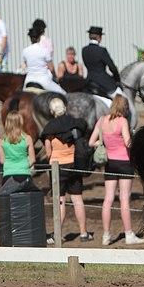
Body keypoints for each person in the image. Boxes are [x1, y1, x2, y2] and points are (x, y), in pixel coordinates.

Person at [88, 95, 144, 246]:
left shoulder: (102, 120)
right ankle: (128, 234)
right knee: (124, 199)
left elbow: (91, 142)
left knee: (108, 199)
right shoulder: (122, 121)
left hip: (110, 163)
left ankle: (106, 235)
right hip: (124, 163)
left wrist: (105, 143)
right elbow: (128, 143)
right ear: (124, 107)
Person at [43, 98, 93, 242]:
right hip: (74, 165)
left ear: (52, 111)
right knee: (77, 199)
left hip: (57, 168)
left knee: (60, 201)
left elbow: (47, 152)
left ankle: (58, 234)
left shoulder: (49, 128)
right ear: (64, 108)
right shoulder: (75, 123)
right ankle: (84, 233)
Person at [21, 26, 66, 94]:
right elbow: (51, 68)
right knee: (64, 94)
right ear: (39, 37)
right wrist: (55, 78)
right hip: (44, 80)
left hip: (28, 80)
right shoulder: (45, 50)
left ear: (30, 38)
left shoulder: (25, 51)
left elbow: (25, 65)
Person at [81, 26, 120, 98]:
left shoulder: (84, 50)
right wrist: (117, 79)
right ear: (99, 37)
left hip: (89, 81)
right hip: (103, 82)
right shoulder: (102, 50)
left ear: (89, 36)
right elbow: (112, 67)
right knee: (122, 99)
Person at [0, 111, 35, 186]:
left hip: (8, 174)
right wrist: (24, 165)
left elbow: (2, 160)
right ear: (20, 122)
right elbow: (33, 159)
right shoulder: (27, 138)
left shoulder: (2, 140)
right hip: (24, 173)